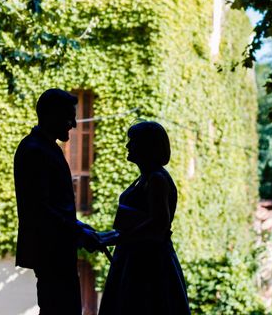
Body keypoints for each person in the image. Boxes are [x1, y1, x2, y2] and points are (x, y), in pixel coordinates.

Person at [14, 88, 100, 315]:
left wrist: (80, 228)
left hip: (53, 250)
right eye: (69, 117)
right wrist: (80, 232)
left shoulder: (42, 147)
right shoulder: (36, 150)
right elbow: (41, 209)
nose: (73, 123)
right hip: (51, 252)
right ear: (52, 115)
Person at [97, 121, 191, 315]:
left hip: (148, 264)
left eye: (133, 141)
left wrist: (117, 238)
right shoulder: (147, 178)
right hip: (138, 258)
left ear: (147, 146)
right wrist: (108, 236)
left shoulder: (157, 179)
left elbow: (159, 224)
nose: (128, 146)